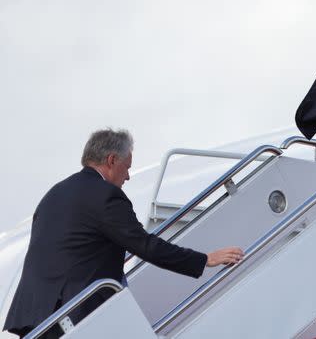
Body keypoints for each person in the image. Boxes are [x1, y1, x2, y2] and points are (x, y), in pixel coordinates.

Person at [3, 129, 244, 338]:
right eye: (127, 167)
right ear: (111, 160)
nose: (128, 176)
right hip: (72, 316)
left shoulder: (53, 195)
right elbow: (144, 245)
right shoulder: (105, 195)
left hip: (34, 318)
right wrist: (205, 259)